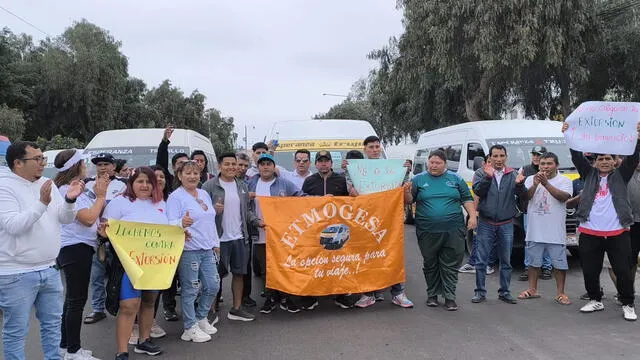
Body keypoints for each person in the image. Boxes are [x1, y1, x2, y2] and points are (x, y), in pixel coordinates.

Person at [0, 141, 84, 360]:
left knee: (52, 327)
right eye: (36, 159)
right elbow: (14, 226)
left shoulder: (47, 183)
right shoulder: (4, 186)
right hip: (16, 273)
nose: (42, 163)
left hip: (49, 268)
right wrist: (41, 203)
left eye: (42, 158)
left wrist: (69, 200)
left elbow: (65, 219)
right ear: (18, 163)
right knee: (17, 333)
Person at [563, 122, 639, 321]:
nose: (605, 161)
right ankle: (595, 299)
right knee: (590, 269)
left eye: (608, 158)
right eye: (601, 159)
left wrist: (638, 136)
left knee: (623, 270)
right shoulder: (588, 175)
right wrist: (569, 134)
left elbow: (634, 158)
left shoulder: (622, 176)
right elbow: (577, 157)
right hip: (589, 231)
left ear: (615, 161)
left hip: (617, 232)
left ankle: (628, 303)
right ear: (594, 162)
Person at [100, 167, 177, 359]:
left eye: (148, 182)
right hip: (128, 265)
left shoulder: (161, 204)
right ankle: (122, 351)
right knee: (129, 305)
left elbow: (170, 231)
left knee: (150, 301)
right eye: (140, 181)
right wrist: (104, 231)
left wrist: (182, 231)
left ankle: (144, 340)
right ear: (131, 183)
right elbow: (104, 227)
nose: (144, 186)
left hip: (155, 263)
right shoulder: (120, 202)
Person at [406, 150, 477, 311]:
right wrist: (406, 192)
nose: (434, 166)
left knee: (451, 263)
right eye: (431, 162)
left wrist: (472, 217)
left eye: (437, 163)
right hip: (427, 230)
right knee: (431, 263)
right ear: (427, 163)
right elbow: (410, 200)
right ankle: (432, 294)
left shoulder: (455, 179)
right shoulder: (418, 179)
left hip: (453, 229)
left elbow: (467, 199)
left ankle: (449, 296)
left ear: (445, 164)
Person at [55, 149, 109, 360]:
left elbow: (92, 219)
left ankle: (65, 346)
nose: (86, 166)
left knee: (72, 300)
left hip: (80, 246)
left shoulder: (77, 188)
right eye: (83, 163)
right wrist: (102, 195)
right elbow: (87, 218)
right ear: (76, 166)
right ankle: (73, 351)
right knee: (77, 301)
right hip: (74, 248)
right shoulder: (66, 190)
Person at [352, 136, 414, 308]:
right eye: (370, 147)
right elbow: (352, 195)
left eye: (377, 146)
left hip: (390, 220)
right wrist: (353, 190)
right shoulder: (355, 169)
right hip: (365, 221)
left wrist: (406, 174)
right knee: (366, 258)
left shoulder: (395, 168)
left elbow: (406, 197)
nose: (374, 149)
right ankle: (368, 294)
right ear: (364, 149)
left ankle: (398, 293)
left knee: (394, 256)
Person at [167, 160, 221, 343]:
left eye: (196, 173)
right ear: (179, 176)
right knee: (191, 289)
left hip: (207, 248)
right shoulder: (176, 197)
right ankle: (189, 327)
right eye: (188, 173)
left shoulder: (204, 193)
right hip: (189, 249)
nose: (192, 176)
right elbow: (169, 222)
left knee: (213, 285)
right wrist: (181, 224)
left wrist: (215, 242)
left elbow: (210, 220)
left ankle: (200, 318)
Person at [202, 153, 259, 321]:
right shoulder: (209, 186)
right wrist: (213, 209)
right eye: (227, 164)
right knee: (214, 277)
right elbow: (201, 211)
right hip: (218, 239)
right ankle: (210, 312)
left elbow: (247, 211)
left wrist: (257, 221)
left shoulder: (242, 186)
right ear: (219, 166)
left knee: (239, 273)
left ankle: (236, 308)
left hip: (240, 237)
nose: (231, 167)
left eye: (233, 164)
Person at [247, 153, 302, 314]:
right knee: (266, 268)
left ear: (274, 167)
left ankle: (285, 297)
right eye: (262, 164)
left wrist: (321, 199)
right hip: (260, 233)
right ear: (258, 167)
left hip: (281, 234)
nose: (265, 167)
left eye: (268, 164)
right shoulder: (250, 185)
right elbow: (246, 208)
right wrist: (256, 221)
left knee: (283, 265)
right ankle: (270, 297)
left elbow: (302, 199)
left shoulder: (284, 184)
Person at [471, 144, 526, 304]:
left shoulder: (513, 174)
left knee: (506, 261)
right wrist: (488, 177)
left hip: (506, 223)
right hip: (486, 222)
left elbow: (521, 196)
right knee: (481, 260)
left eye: (502, 156)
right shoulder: (481, 172)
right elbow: (478, 192)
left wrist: (520, 185)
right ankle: (480, 292)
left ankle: (505, 292)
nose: (499, 159)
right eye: (495, 156)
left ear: (506, 157)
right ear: (490, 158)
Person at [299, 151, 354, 310]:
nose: (323, 164)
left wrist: (335, 199)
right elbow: (301, 203)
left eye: (326, 161)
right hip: (314, 229)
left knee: (339, 261)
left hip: (337, 228)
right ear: (315, 164)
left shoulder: (341, 180)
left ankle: (341, 295)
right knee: (314, 262)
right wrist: (315, 200)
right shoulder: (309, 181)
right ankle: (311, 295)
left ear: (331, 163)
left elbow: (351, 202)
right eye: (320, 161)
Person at [517, 152, 573, 305]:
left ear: (557, 165)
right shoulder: (531, 179)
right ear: (538, 165)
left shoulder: (565, 180)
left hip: (555, 232)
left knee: (559, 265)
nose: (545, 167)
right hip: (535, 230)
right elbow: (526, 198)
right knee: (533, 264)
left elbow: (563, 198)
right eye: (543, 164)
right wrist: (535, 185)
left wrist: (546, 184)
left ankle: (561, 293)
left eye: (549, 163)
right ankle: (532, 290)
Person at [84, 153, 128, 326]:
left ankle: (120, 307)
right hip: (96, 238)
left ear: (113, 166)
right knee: (96, 276)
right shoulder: (87, 184)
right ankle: (97, 309)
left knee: (118, 276)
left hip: (119, 238)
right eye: (99, 164)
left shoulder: (123, 184)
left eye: (106, 164)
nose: (102, 167)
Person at [519, 145, 553, 282]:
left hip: (547, 211)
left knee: (546, 239)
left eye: (539, 155)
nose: (536, 157)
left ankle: (547, 267)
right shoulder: (524, 170)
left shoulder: (551, 171)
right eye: (534, 154)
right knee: (530, 240)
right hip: (529, 211)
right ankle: (529, 267)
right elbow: (519, 189)